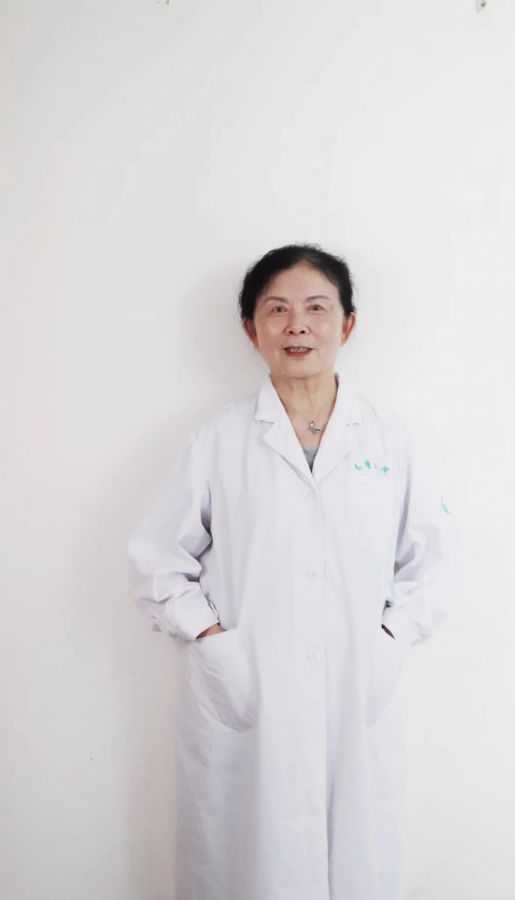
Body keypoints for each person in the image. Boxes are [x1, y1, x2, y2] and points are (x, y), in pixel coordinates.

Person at [126, 243, 460, 900]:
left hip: (357, 685)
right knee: (249, 861)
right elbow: (156, 559)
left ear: (348, 325)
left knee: (356, 855)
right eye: (276, 310)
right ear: (251, 329)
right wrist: (212, 639)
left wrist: (390, 640)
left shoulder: (389, 441)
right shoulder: (218, 439)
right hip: (250, 687)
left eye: (316, 308)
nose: (297, 325)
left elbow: (436, 561)